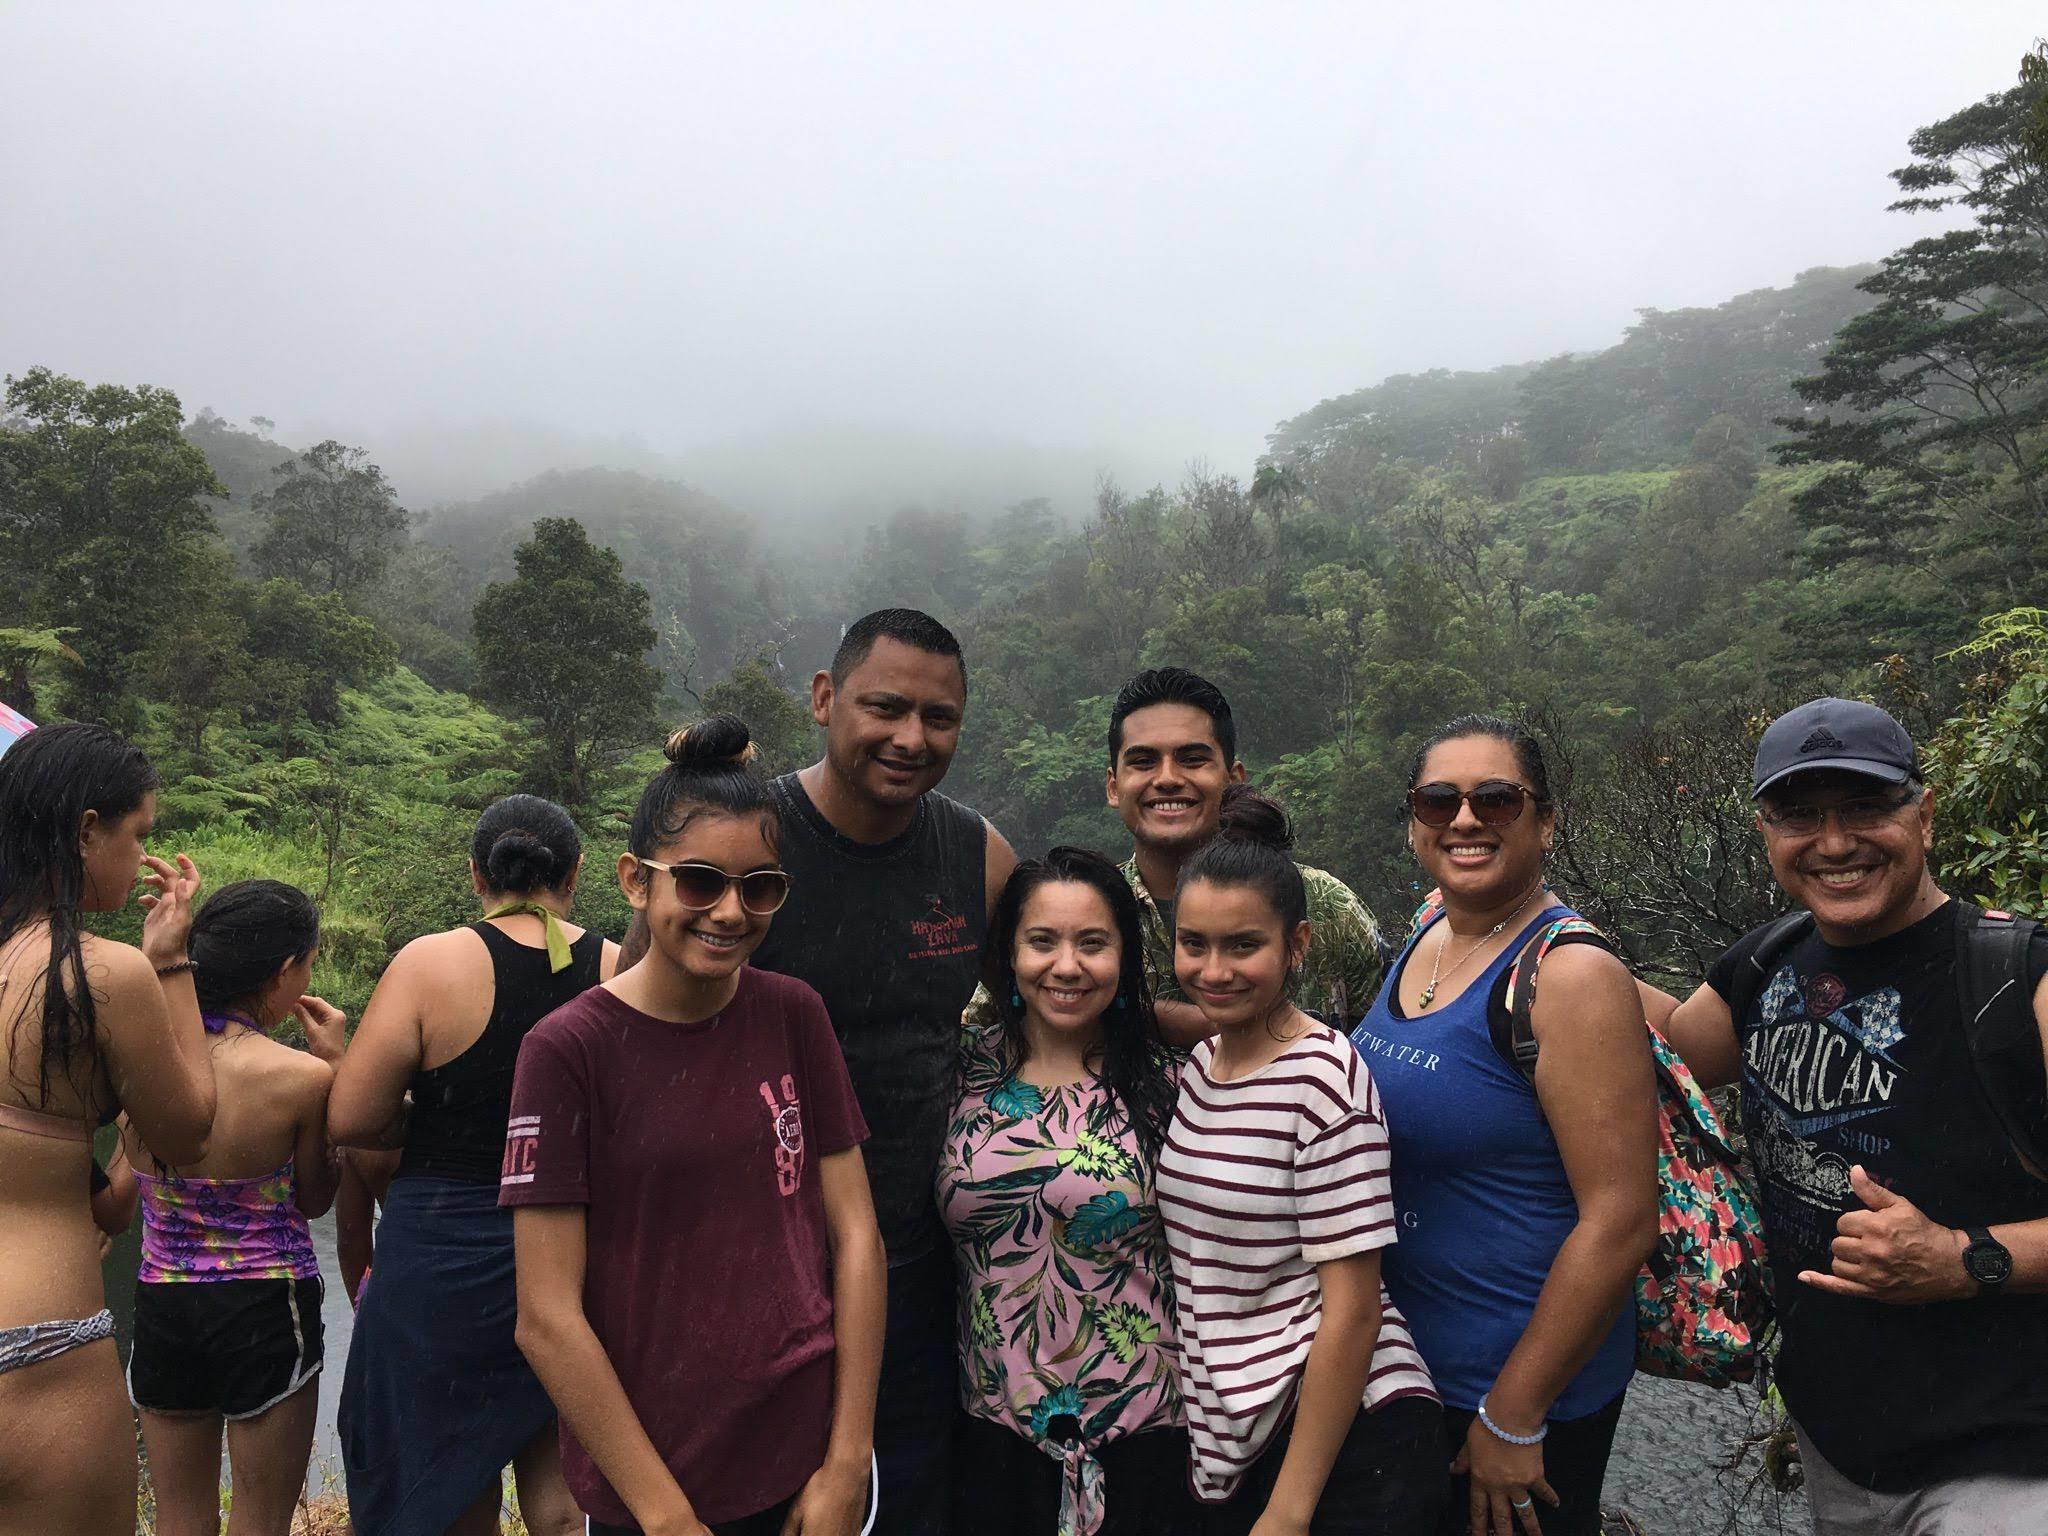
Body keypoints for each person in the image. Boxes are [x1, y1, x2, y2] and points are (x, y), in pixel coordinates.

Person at [1653, 698, 2048, 1534]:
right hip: (1838, 1445)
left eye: (1867, 807)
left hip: (2008, 1461)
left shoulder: (2019, 979)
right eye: (1801, 815)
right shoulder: (1765, 964)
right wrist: (1534, 935)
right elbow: (1661, 1050)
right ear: (1767, 831)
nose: (1834, 843)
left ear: (1926, 815)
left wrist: (1964, 1258)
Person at [506, 715, 887, 1536]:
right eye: (700, 881)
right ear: (636, 881)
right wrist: (666, 1517)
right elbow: (545, 1316)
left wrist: (847, 1461)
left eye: (760, 888)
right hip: (652, 1486)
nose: (730, 911)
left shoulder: (793, 1015)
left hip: (800, 1461)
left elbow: (854, 1236)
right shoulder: (567, 1050)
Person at [1349, 716, 1659, 1536]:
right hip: (1413, 1375)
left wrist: (1513, 1415)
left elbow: (1622, 1222)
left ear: (1545, 821)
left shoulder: (1570, 975)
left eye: (1496, 798)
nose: (1464, 818)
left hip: (1512, 1392)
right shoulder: (1429, 930)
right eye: (1437, 799)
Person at [746, 608, 1017, 1536]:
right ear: (825, 700)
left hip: (914, 1265)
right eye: (885, 707)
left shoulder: (974, 856)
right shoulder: (752, 842)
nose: (912, 738)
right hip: (744, 1259)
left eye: (938, 719)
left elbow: (1059, 1018)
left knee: (903, 1504)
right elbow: (634, 1018)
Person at [1155, 786, 1440, 1535]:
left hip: (1345, 1437)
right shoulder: (1201, 1066)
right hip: (1243, 1424)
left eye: (1243, 945)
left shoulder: (1323, 1078)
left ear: (1298, 944)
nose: (1214, 970)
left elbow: (1351, 1307)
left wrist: (1289, 1510)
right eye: (1195, 944)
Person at [331, 793, 615, 1536]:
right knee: (564, 1489)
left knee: (445, 1488)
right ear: (576, 873)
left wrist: (423, 1115)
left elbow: (352, 1117)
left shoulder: (431, 963)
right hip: (572, 1250)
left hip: (441, 1258)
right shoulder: (617, 967)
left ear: (475, 874)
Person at [937, 846, 1195, 1536]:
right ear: (1009, 954)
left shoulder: (1174, 1085)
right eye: (1042, 941)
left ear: (1125, 956)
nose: (1068, 966)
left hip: (1147, 1441)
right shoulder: (959, 1069)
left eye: (1093, 943)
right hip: (991, 1437)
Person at [0, 722, 215, 1536]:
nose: (139, 856)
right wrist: (169, 960)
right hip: (40, 1350)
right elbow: (190, 1133)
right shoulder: (101, 972)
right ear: (87, 828)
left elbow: (106, 1196)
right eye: (138, 835)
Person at [122, 878, 348, 1536]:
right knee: (260, 1521)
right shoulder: (301, 1079)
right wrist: (335, 1060)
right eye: (306, 964)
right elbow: (314, 1198)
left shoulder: (145, 1063)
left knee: (180, 1518)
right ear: (283, 973)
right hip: (265, 1308)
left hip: (164, 1305)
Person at [1105, 668, 1383, 1041]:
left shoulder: (1326, 907)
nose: (1167, 778)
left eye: (1192, 759)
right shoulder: (1091, 914)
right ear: (1113, 787)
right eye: (1143, 761)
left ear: (1234, 777)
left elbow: (1385, 1059)